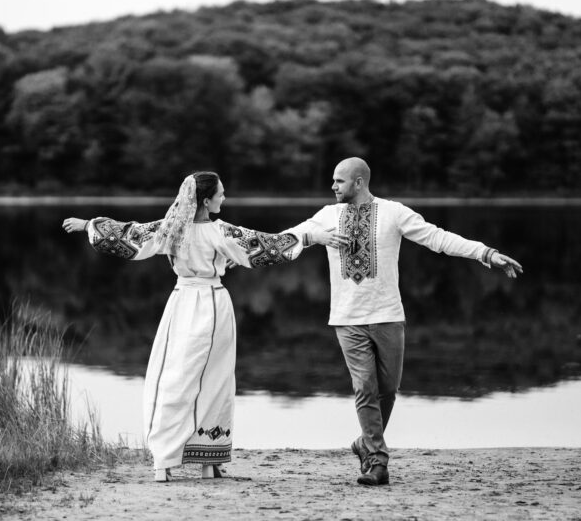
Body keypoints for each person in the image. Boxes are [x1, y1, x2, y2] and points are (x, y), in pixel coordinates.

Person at [62, 172, 333, 482]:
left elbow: (129, 235)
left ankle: (165, 459)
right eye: (221, 193)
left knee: (173, 377)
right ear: (206, 200)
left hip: (180, 303)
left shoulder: (171, 229)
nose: (224, 198)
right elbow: (267, 246)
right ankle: (207, 460)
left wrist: (88, 225)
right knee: (214, 380)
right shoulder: (221, 231)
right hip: (212, 303)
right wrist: (311, 237)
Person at [286, 157, 523, 486]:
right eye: (333, 181)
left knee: (388, 391)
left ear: (358, 182)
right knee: (364, 388)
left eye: (339, 181)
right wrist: (313, 238)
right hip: (347, 319)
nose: (333, 186)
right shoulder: (327, 217)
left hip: (388, 315)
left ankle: (364, 442)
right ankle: (377, 461)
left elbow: (437, 238)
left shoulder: (393, 213)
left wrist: (484, 253)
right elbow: (287, 239)